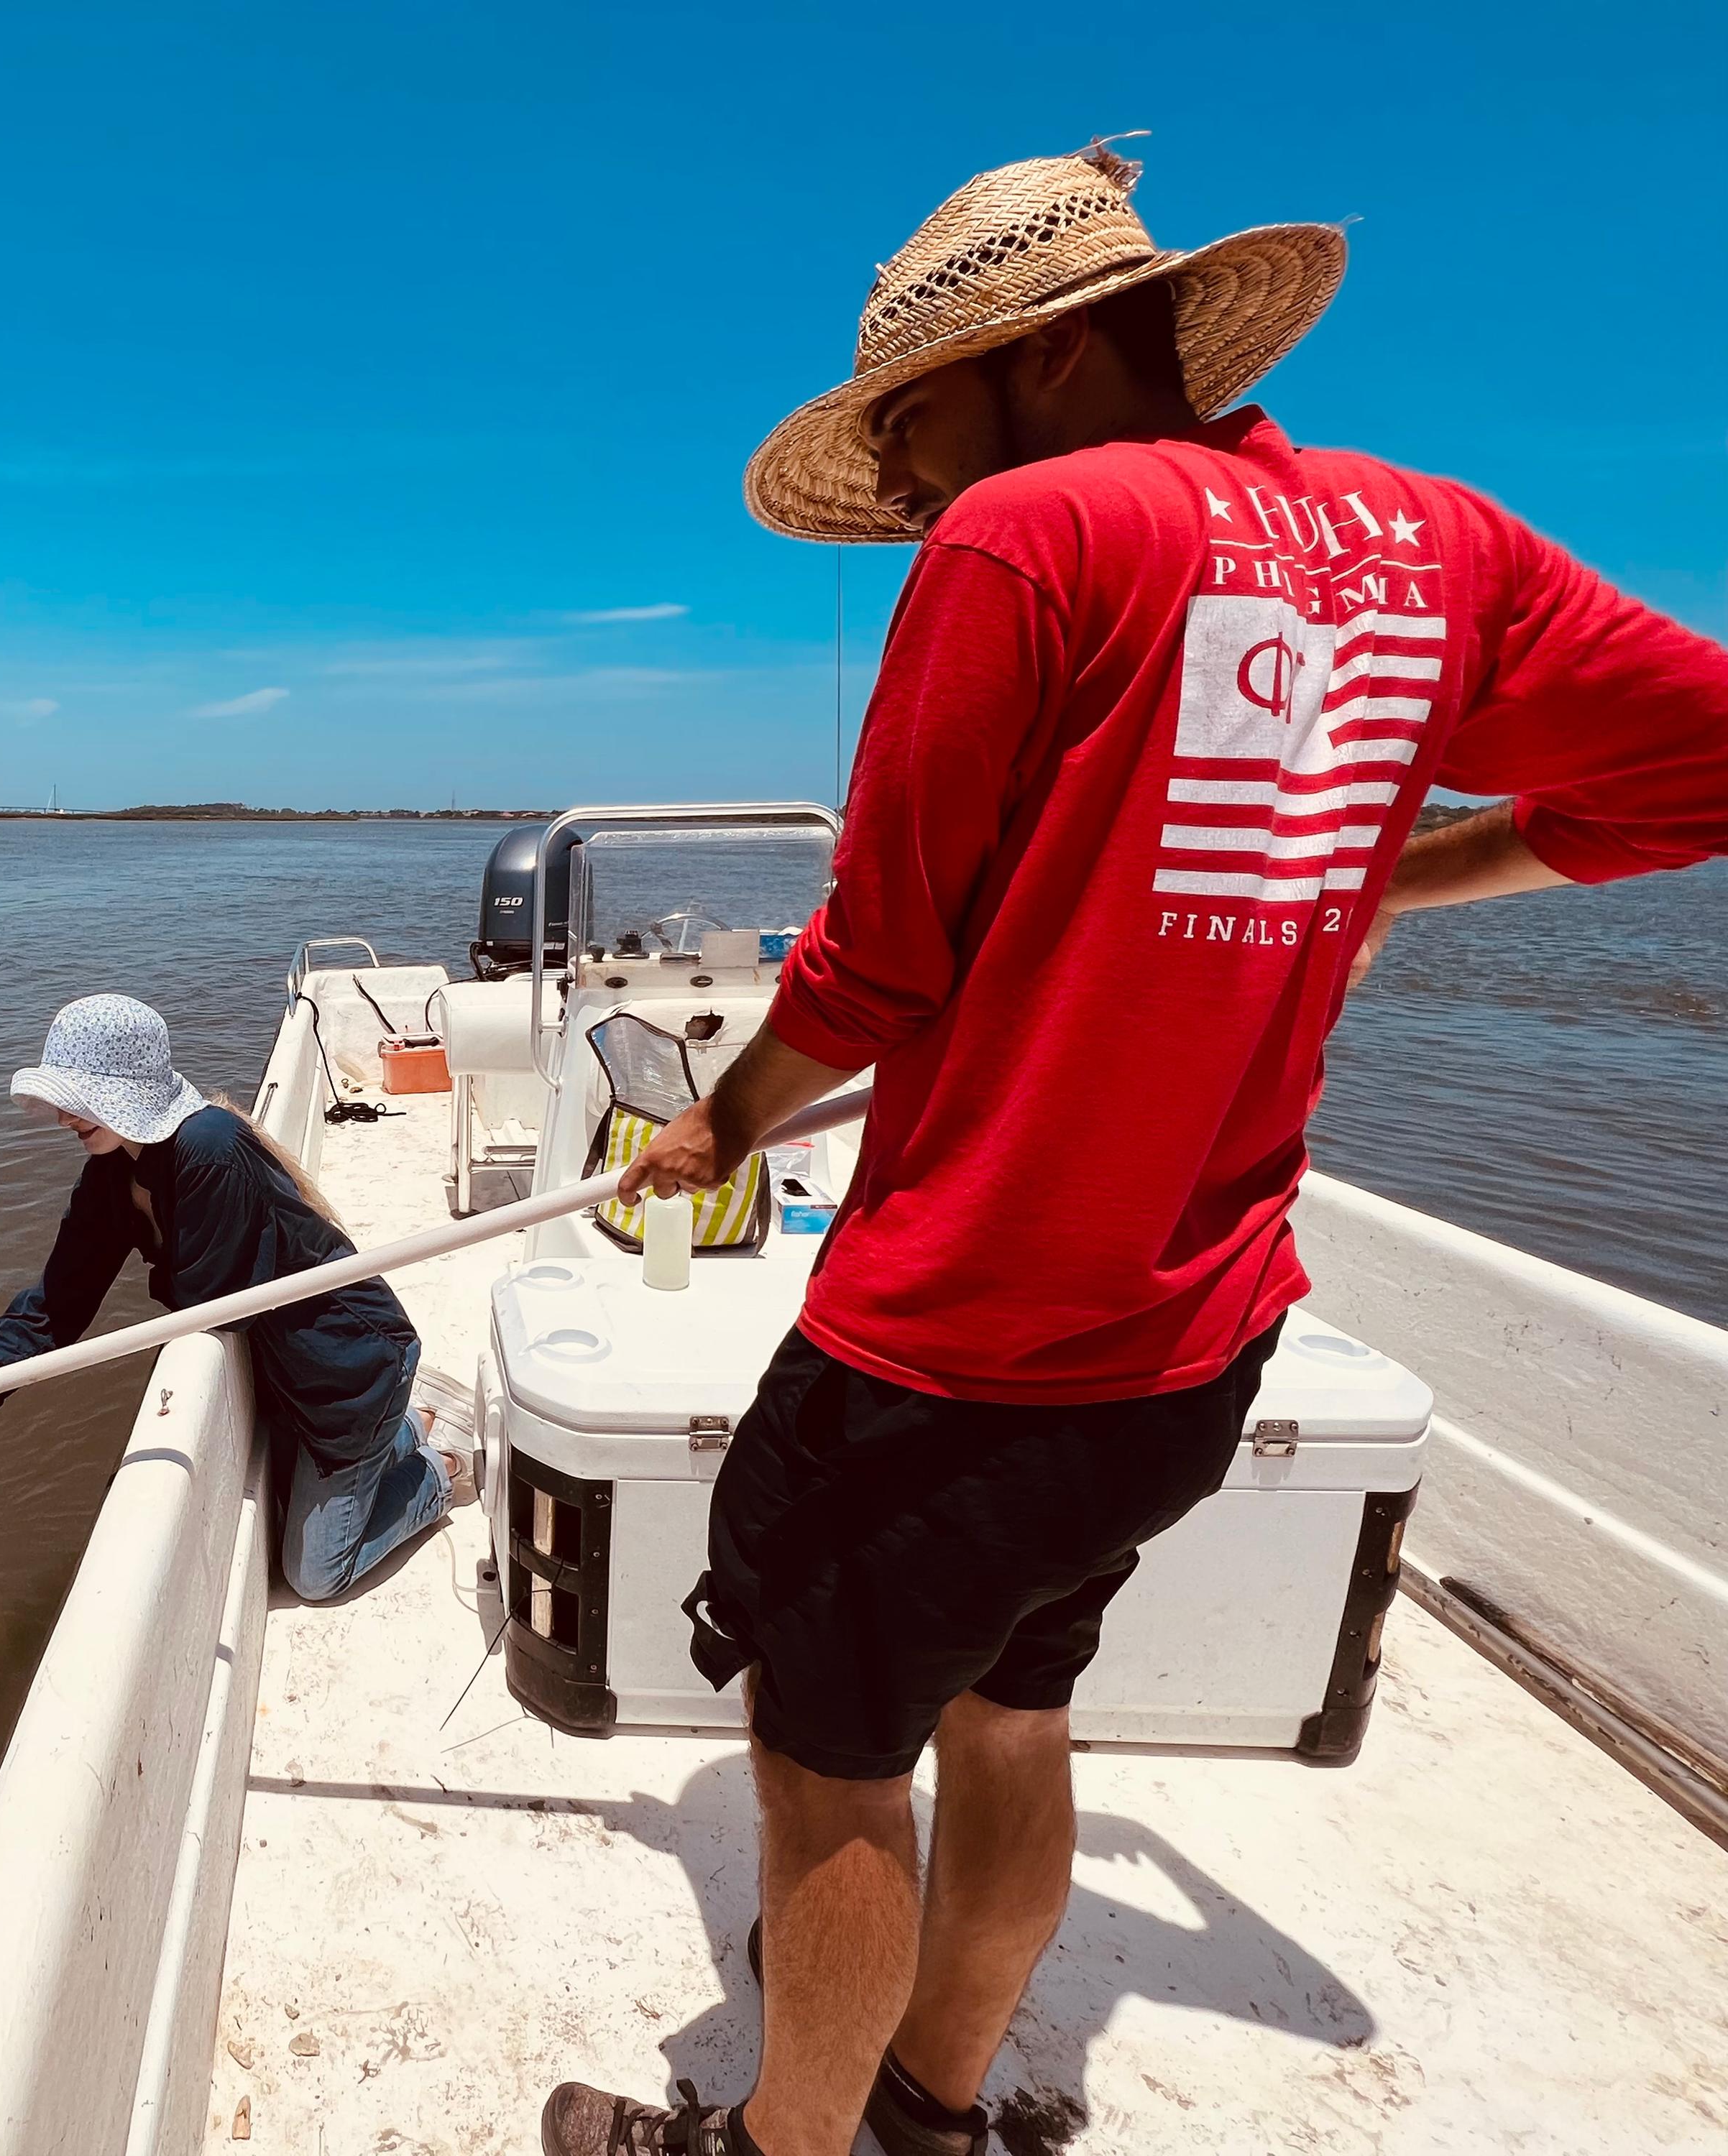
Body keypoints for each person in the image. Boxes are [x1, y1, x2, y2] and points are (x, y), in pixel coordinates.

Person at [540, 142, 1728, 2156]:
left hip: (953, 1347)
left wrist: (709, 1128)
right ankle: (933, 2106)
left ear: (1051, 355)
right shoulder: (1444, 545)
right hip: (1193, 1341)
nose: (910, 495)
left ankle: (781, 2148)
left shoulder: (1027, 539)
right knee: (1015, 1711)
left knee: (832, 1768)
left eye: (909, 431)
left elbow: (876, 968)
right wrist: (1374, 882)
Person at [0, 992, 464, 1601]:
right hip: (292, 1375)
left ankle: (440, 1469)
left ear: (124, 1090)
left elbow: (208, 1300)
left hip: (350, 1369)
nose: (63, 1117)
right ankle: (409, 1426)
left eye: (78, 1098)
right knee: (296, 1513)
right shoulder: (111, 1175)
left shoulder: (210, 1148)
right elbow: (55, 1306)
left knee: (315, 1575)